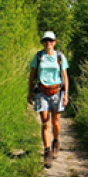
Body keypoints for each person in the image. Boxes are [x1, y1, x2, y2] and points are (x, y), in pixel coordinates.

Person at [27, 31, 69, 168]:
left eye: (50, 40)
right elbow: (32, 75)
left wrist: (66, 94)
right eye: (45, 40)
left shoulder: (60, 57)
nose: (48, 43)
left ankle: (56, 142)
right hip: (41, 91)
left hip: (57, 91)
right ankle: (47, 152)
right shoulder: (39, 57)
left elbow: (65, 76)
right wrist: (29, 93)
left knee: (56, 122)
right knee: (45, 123)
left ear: (55, 42)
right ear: (42, 42)